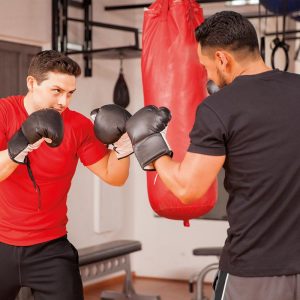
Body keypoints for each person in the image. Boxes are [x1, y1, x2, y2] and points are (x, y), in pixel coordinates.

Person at [126, 11, 300, 300]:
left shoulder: (220, 107)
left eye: (206, 66)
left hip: (254, 269)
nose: (207, 76)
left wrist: (150, 145)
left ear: (222, 59)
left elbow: (188, 189)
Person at [0, 50, 131, 300]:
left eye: (70, 93)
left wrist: (123, 148)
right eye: (57, 91)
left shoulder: (78, 125)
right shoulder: (4, 113)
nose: (64, 102)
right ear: (32, 83)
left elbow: (113, 176)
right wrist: (19, 146)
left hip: (50, 249)